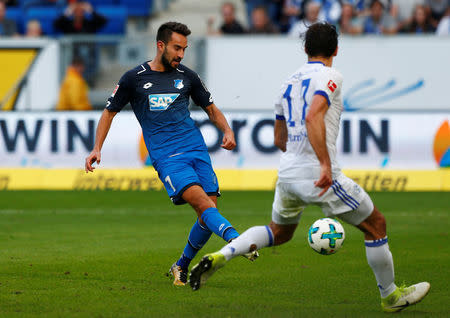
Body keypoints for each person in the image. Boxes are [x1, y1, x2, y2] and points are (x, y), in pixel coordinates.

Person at [189, 22, 431, 313]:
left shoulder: (287, 82)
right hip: (318, 174)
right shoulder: (332, 76)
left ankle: (222, 256)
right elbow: (313, 116)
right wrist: (325, 165)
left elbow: (279, 138)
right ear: (336, 49)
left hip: (288, 172)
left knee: (278, 232)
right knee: (376, 225)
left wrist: (299, 159)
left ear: (305, 49)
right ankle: (390, 296)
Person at [84, 22, 257, 286]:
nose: (181, 54)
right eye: (177, 48)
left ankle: (181, 266)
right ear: (161, 45)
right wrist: (97, 147)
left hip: (196, 149)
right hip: (167, 157)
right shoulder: (134, 78)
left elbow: (210, 108)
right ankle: (237, 240)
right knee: (203, 205)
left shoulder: (188, 76)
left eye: (184, 49)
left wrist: (227, 131)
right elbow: (109, 112)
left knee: (207, 213)